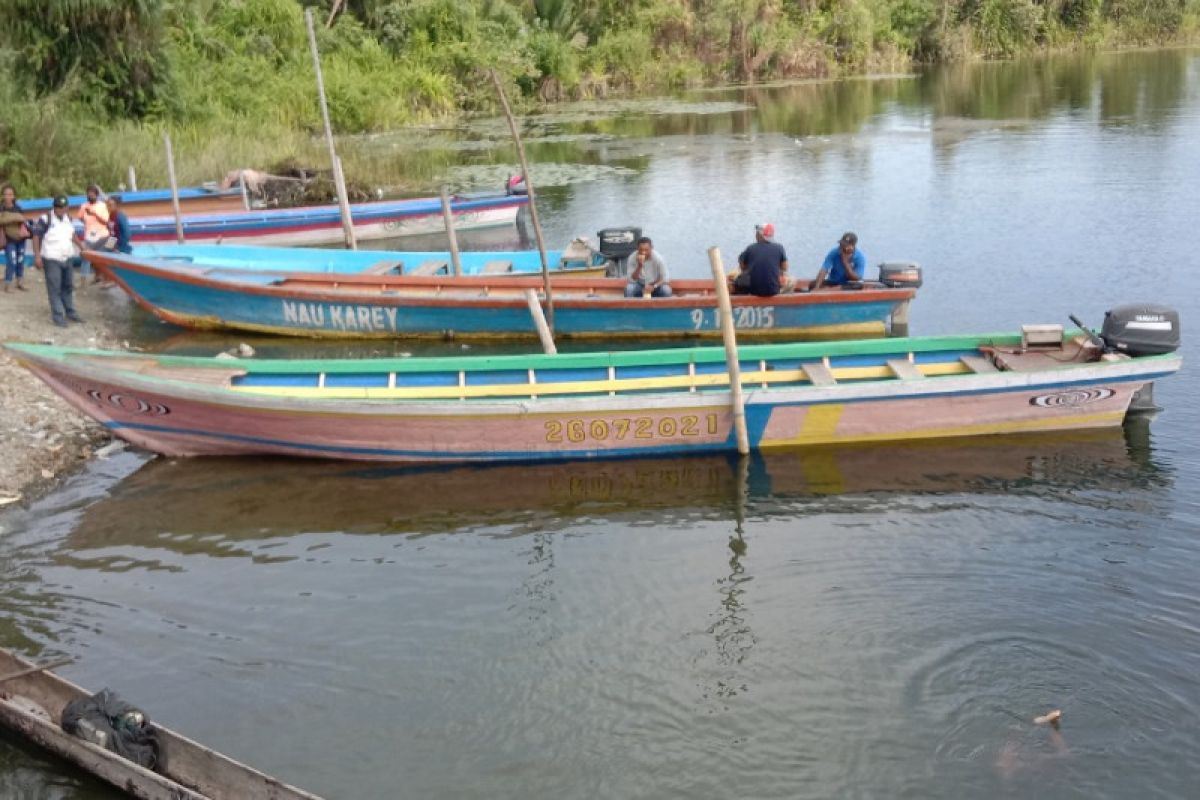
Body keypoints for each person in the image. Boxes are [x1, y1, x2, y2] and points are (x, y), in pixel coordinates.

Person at [31, 195, 84, 327]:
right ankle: (58, 316)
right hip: (51, 258)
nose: (60, 209)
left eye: (63, 207)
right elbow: (36, 237)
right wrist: (37, 256)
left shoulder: (68, 219)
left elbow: (72, 235)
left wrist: (82, 246)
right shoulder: (45, 219)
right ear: (54, 207)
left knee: (68, 286)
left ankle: (70, 312)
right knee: (54, 288)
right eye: (58, 207)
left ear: (67, 207)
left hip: (68, 257)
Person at [732, 222, 794, 296]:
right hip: (773, 291)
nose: (756, 235)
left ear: (761, 235)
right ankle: (782, 300)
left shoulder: (750, 248)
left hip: (754, 291)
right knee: (792, 280)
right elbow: (785, 268)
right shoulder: (779, 248)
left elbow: (742, 266)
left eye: (757, 233)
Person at [0, 183, 31, 293]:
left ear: (14, 196)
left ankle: (20, 282)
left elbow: (23, 220)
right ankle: (7, 283)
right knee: (11, 261)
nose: (8, 197)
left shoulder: (18, 208)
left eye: (10, 194)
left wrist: (10, 218)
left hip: (21, 239)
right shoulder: (1, 208)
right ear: (3, 196)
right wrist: (15, 218)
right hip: (9, 240)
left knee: (20, 260)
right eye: (6, 194)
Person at [78, 184, 109, 285]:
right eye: (88, 194)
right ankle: (83, 280)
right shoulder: (84, 206)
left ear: (97, 195)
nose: (90, 196)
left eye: (92, 194)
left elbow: (105, 221)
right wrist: (88, 223)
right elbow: (80, 217)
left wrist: (94, 214)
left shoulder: (102, 206)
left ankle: (100, 277)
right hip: (89, 236)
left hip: (102, 236)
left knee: (101, 258)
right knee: (86, 257)